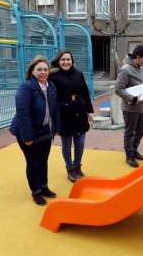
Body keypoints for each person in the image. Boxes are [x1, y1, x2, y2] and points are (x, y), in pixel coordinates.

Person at [9, 55, 61, 205]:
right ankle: (36, 191)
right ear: (32, 71)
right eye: (39, 69)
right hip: (26, 131)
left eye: (45, 69)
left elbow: (55, 108)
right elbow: (23, 113)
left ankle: (44, 187)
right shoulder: (26, 87)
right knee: (33, 162)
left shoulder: (50, 86)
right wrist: (27, 137)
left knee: (43, 160)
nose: (43, 72)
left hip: (44, 131)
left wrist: (56, 128)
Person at [48, 50, 94, 183]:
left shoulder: (78, 74)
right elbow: (53, 98)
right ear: (58, 61)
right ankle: (70, 168)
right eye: (63, 60)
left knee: (80, 143)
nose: (66, 62)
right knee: (67, 144)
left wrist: (90, 111)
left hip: (80, 114)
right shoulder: (54, 77)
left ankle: (77, 165)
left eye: (68, 59)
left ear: (72, 61)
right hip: (65, 115)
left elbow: (85, 92)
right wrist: (66, 104)